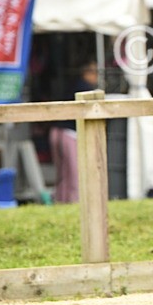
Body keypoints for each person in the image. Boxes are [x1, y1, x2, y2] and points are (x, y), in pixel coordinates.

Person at [50, 61, 100, 204]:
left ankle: (60, 200)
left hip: (56, 131)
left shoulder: (72, 84)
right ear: (88, 73)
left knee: (62, 172)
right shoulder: (86, 89)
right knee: (74, 171)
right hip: (68, 133)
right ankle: (73, 201)